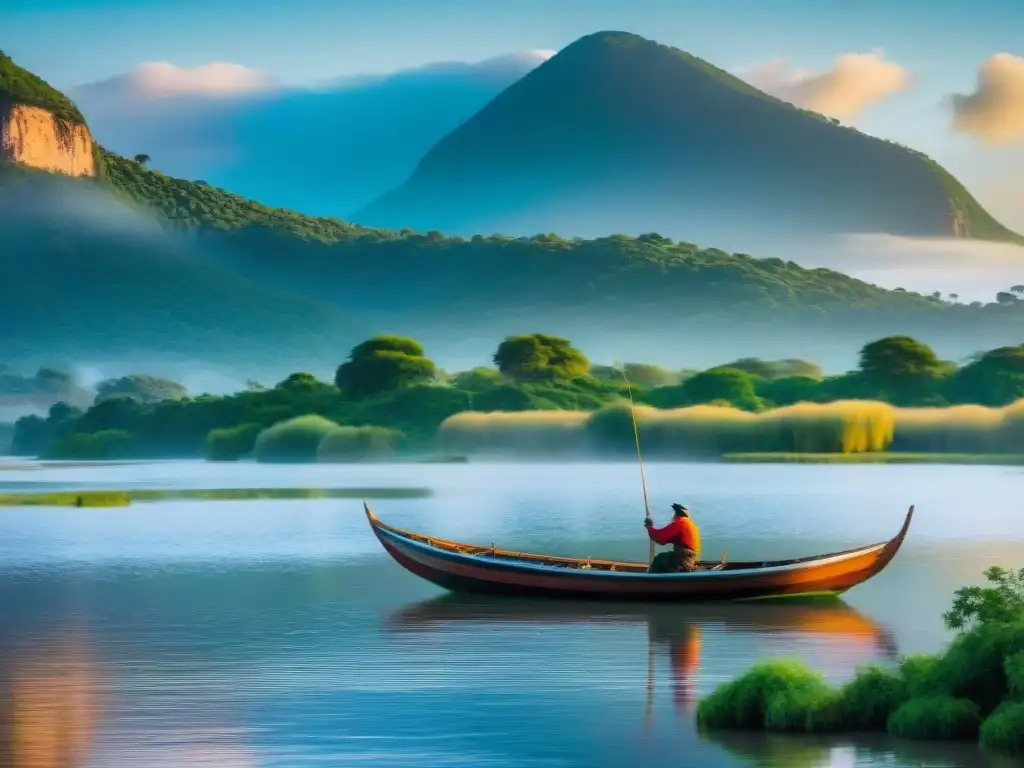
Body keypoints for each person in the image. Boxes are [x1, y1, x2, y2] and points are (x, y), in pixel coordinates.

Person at [645, 503, 701, 573]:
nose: (674, 515)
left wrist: (649, 527)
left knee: (659, 559)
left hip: (685, 560)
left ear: (677, 515)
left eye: (675, 513)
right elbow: (664, 540)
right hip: (692, 559)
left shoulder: (681, 523)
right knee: (665, 558)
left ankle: (651, 581)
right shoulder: (691, 524)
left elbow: (660, 537)